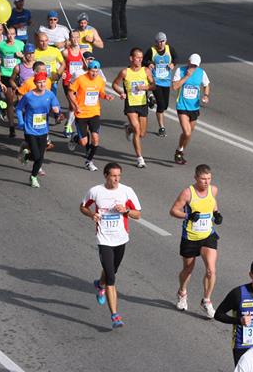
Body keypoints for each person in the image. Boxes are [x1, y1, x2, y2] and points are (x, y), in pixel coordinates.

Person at [79, 162, 142, 329]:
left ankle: (99, 284)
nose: (116, 179)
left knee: (111, 271)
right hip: (104, 239)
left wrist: (126, 211)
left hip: (121, 238)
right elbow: (82, 207)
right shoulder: (95, 191)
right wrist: (92, 214)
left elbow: (138, 215)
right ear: (106, 175)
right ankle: (115, 316)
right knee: (112, 278)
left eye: (118, 176)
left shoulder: (127, 191)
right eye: (113, 176)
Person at [169, 164, 220, 317]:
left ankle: (206, 300)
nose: (206, 182)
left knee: (211, 270)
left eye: (209, 179)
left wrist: (216, 213)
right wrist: (188, 216)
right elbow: (173, 211)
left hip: (208, 235)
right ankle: (182, 292)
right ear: (196, 178)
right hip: (190, 237)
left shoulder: (213, 190)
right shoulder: (187, 193)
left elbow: (212, 203)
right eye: (203, 179)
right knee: (188, 269)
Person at [16, 71, 61, 188]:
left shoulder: (50, 95)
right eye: (39, 83)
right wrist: (21, 122)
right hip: (30, 129)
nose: (42, 85)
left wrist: (57, 111)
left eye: (43, 82)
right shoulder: (28, 96)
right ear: (35, 83)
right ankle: (26, 153)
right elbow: (19, 109)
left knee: (40, 156)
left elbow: (56, 105)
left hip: (43, 130)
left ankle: (33, 176)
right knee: (36, 156)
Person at [69, 59, 114, 171]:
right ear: (88, 70)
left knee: (95, 138)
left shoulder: (100, 81)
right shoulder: (80, 79)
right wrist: (75, 105)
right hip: (81, 114)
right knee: (84, 142)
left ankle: (89, 161)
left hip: (94, 112)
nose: (94, 73)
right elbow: (70, 92)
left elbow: (101, 93)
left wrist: (106, 96)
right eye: (92, 71)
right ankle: (75, 138)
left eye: (97, 71)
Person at [112, 48, 153, 168]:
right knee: (137, 129)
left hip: (142, 103)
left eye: (141, 57)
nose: (140, 60)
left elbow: (153, 85)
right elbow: (114, 84)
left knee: (142, 133)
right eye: (137, 57)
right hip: (130, 104)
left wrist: (144, 88)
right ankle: (140, 158)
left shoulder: (146, 71)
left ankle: (128, 128)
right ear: (131, 58)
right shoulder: (125, 72)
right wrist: (121, 92)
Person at [172, 53, 210, 165]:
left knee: (188, 134)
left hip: (194, 107)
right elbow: (174, 87)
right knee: (187, 133)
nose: (193, 67)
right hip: (182, 106)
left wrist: (206, 95)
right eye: (192, 64)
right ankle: (179, 151)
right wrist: (186, 76)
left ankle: (179, 150)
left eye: (195, 65)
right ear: (188, 62)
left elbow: (206, 84)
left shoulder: (201, 73)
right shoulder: (180, 71)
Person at [142, 32, 176, 137]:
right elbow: (143, 60)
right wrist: (149, 63)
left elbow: (175, 58)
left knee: (165, 105)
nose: (160, 43)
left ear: (165, 41)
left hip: (166, 81)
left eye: (162, 41)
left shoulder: (170, 49)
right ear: (155, 42)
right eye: (158, 42)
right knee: (161, 105)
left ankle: (152, 99)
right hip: (155, 81)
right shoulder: (151, 50)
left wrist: (172, 64)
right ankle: (162, 127)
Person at [0, 26, 25, 137]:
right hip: (6, 74)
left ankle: (12, 109)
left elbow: (27, 58)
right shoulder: (1, 45)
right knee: (10, 100)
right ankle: (12, 127)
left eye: (12, 34)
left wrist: (21, 57)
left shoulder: (20, 44)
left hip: (17, 75)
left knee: (17, 98)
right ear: (5, 35)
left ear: (15, 35)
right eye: (8, 34)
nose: (10, 36)